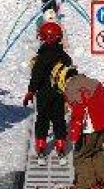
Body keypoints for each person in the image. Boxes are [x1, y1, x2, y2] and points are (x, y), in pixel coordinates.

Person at [52, 63, 104, 189]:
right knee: (96, 151)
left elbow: (79, 111)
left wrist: (74, 133)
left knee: (81, 156)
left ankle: (86, 185)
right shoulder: (91, 82)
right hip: (102, 124)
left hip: (88, 127)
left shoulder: (72, 87)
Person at [23, 21, 73, 164]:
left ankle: (41, 149)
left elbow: (36, 76)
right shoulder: (64, 57)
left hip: (43, 94)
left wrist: (30, 92)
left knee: (42, 120)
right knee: (59, 120)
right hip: (59, 94)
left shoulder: (41, 57)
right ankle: (61, 148)